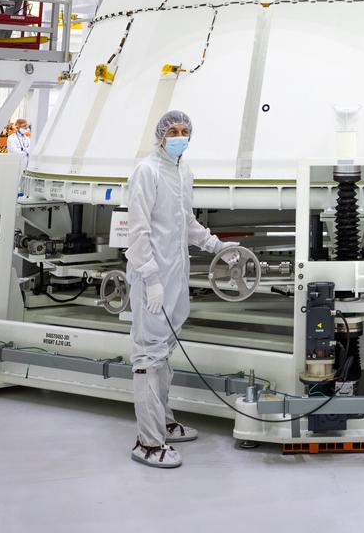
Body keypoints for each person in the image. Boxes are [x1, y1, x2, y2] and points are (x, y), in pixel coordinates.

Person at [126, 110, 241, 469]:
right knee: (148, 356)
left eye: (184, 131)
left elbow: (185, 221)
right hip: (152, 277)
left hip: (176, 275)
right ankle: (148, 442)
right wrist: (151, 277)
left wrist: (216, 245)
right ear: (160, 135)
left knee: (165, 353)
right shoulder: (147, 171)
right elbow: (138, 231)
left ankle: (164, 421)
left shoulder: (183, 171)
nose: (179, 136)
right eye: (173, 131)